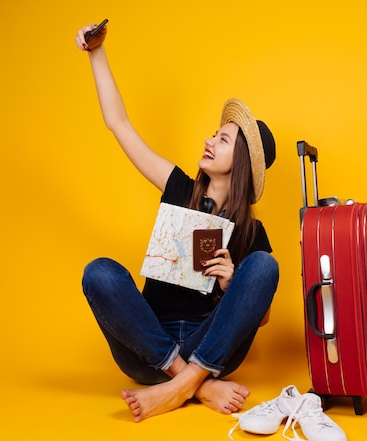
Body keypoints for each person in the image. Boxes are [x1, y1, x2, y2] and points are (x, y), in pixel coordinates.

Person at [75, 22, 279, 423]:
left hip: (211, 344)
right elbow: (119, 124)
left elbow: (263, 314)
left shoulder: (253, 232)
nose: (209, 141)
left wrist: (230, 282)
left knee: (264, 266)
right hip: (149, 345)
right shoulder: (179, 188)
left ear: (241, 164)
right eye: (213, 134)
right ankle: (191, 385)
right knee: (98, 272)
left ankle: (181, 385)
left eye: (222, 140)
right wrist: (96, 53)